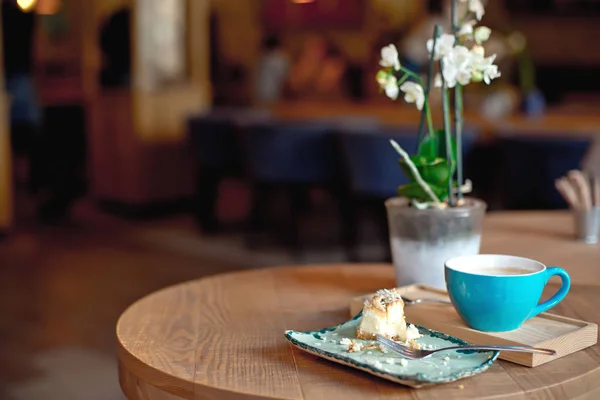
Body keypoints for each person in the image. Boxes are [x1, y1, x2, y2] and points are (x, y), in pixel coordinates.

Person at [254, 34, 289, 105]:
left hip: (259, 95)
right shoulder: (280, 59)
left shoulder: (260, 59)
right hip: (273, 96)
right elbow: (286, 80)